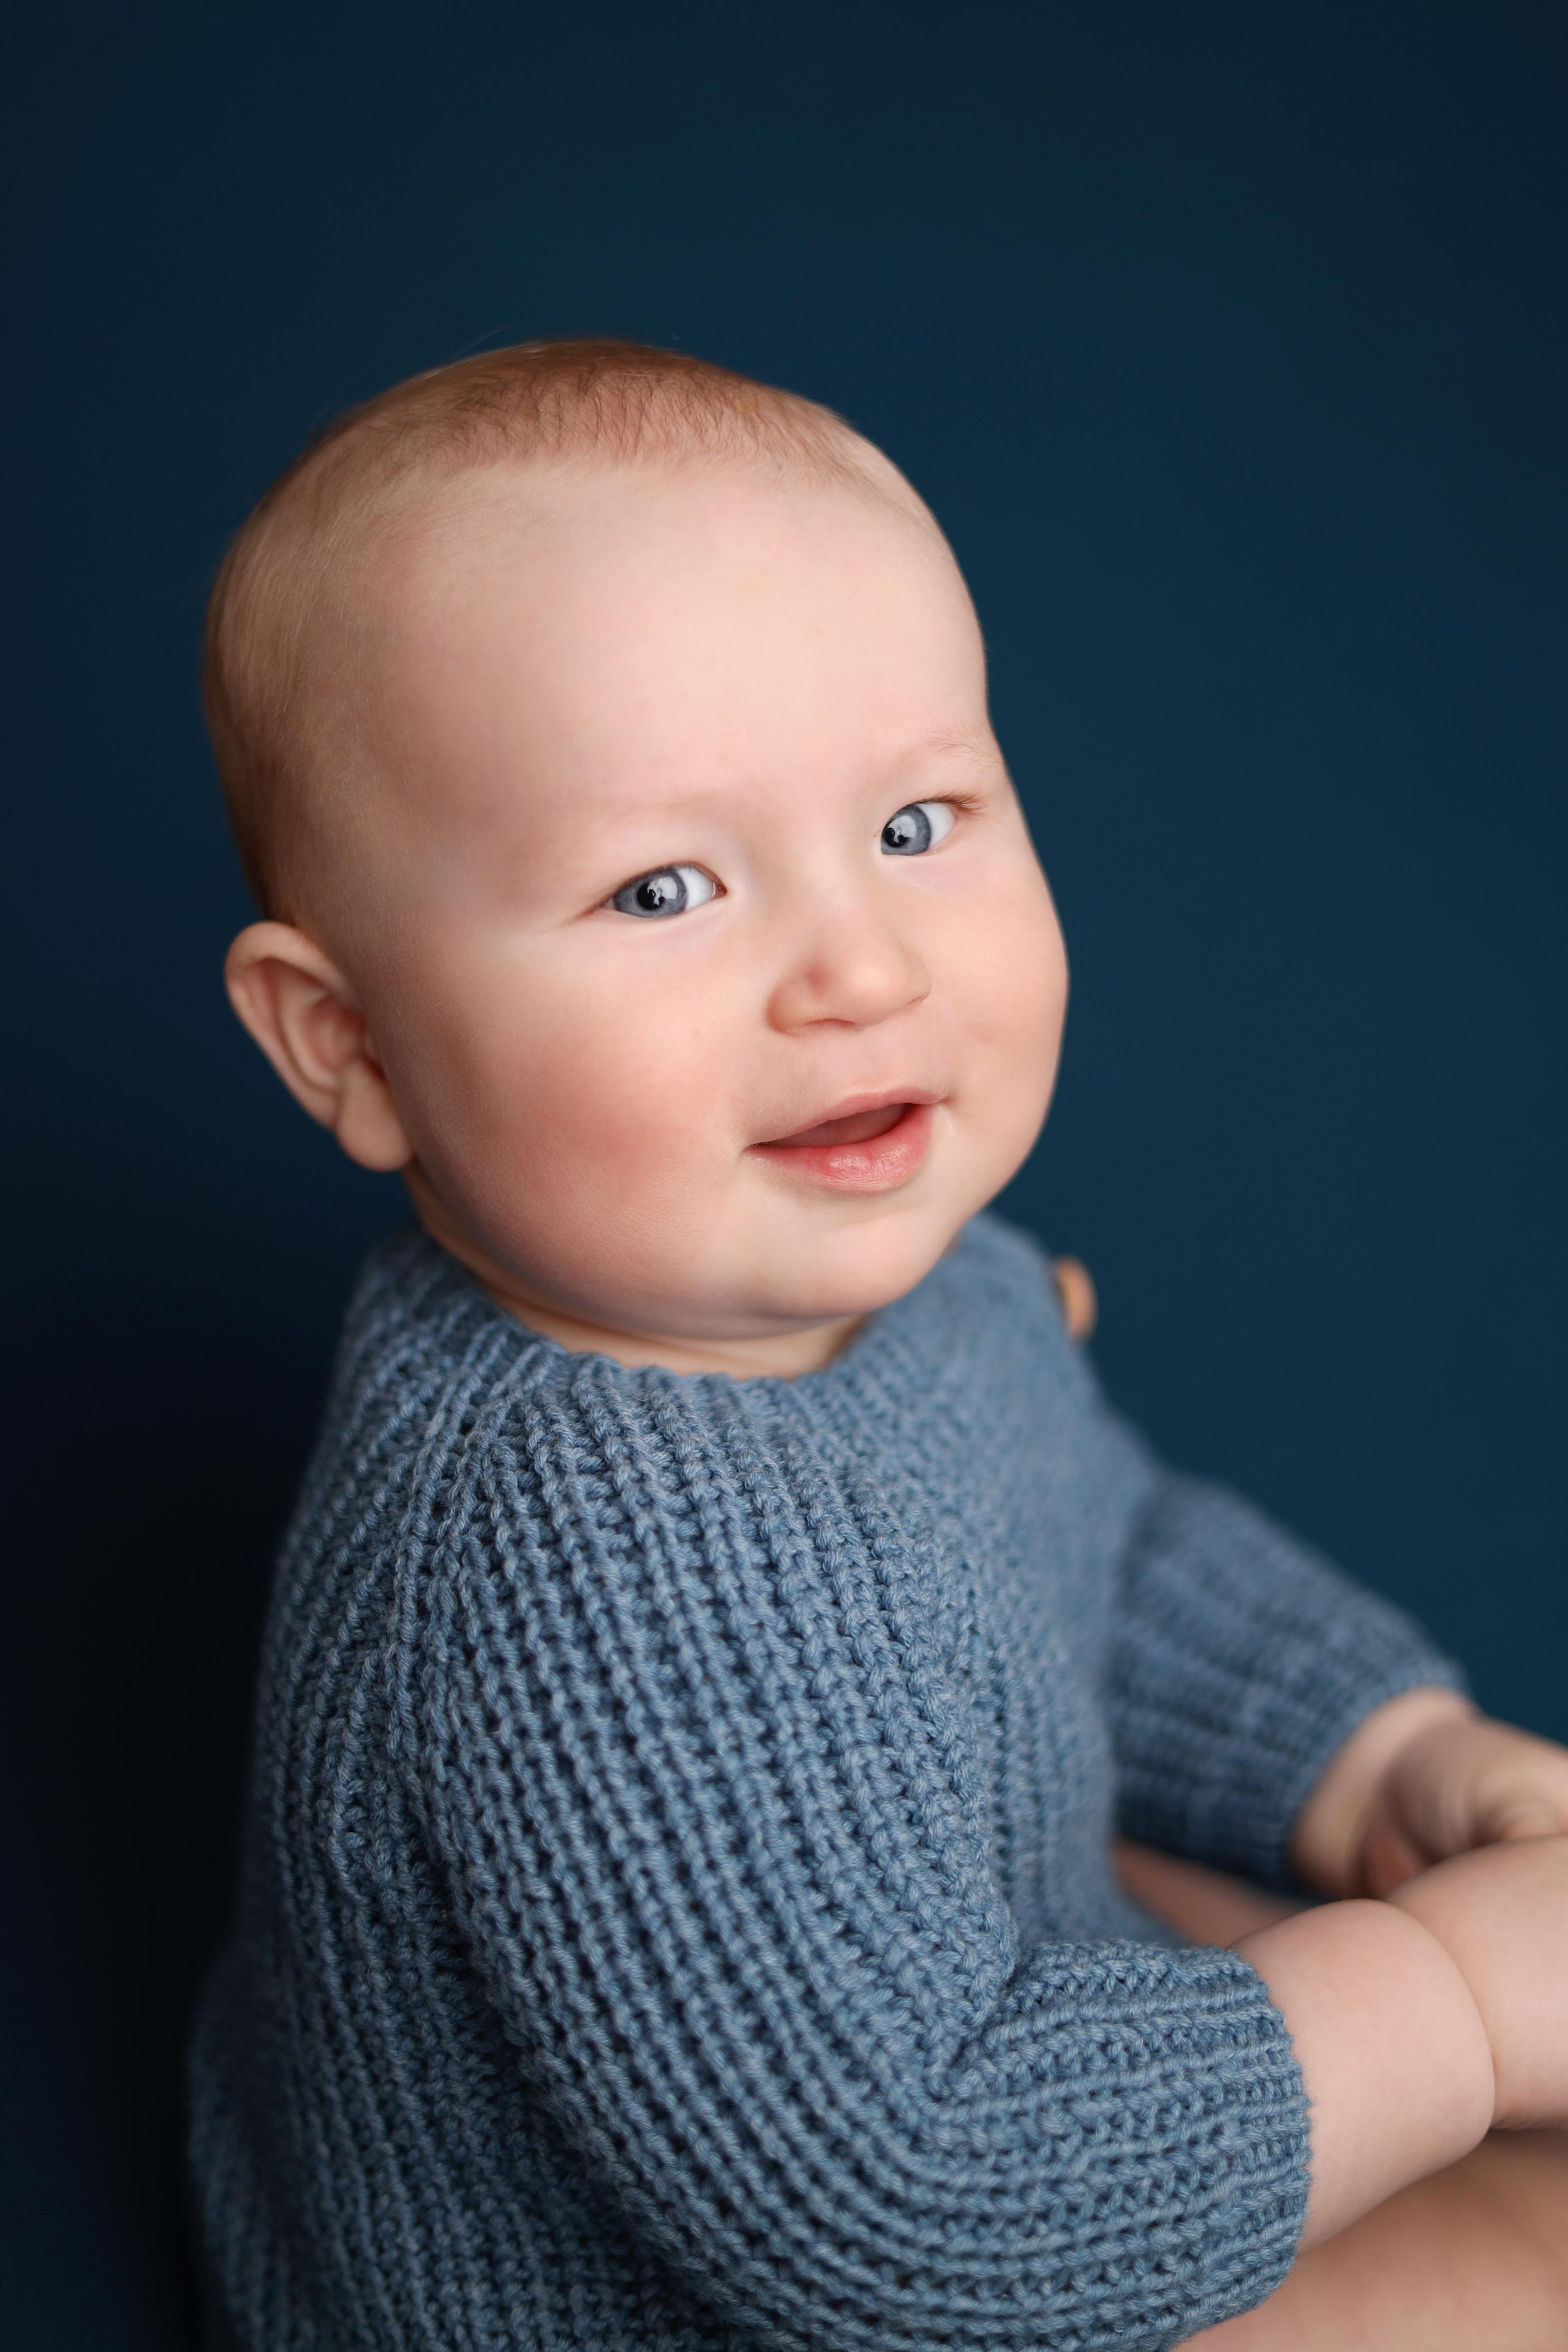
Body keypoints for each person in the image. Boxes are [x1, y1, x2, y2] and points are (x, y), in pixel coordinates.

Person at [187, 339, 1568, 2350]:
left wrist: (1377, 1762)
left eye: (920, 824)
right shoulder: (584, 1556)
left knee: (1295, 1953)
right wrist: (1450, 2004)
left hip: (907, 2061)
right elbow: (919, 2215)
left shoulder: (885, 1278)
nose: (858, 965)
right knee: (1526, 2237)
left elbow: (1096, 1537)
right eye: (666, 885)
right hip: (836, 2242)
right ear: (356, 1044)